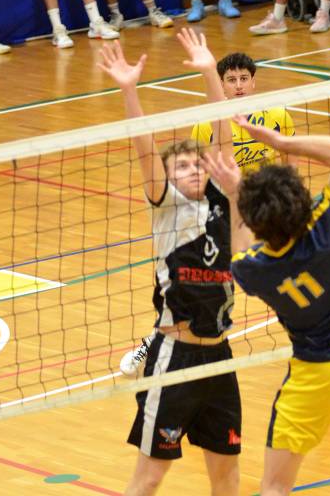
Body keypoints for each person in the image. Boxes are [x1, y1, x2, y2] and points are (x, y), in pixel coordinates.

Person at [203, 119, 330, 496]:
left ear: (256, 223)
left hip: (316, 375)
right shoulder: (326, 223)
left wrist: (235, 192)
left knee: (274, 486)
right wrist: (280, 141)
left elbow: (240, 246)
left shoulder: (254, 269)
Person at [97, 31, 240, 496]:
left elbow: (223, 135)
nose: (193, 169)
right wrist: (129, 90)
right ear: (168, 178)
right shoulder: (166, 206)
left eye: (198, 164)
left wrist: (210, 72)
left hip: (219, 355)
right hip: (174, 357)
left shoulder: (221, 198)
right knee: (150, 478)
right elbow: (144, 148)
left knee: (227, 474)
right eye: (181, 167)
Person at [191, 52, 295, 173]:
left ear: (253, 82)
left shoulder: (278, 115)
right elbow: (196, 169)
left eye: (244, 79)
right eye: (232, 80)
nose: (239, 86)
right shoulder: (205, 125)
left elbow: (290, 160)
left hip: (264, 184)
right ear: (222, 85)